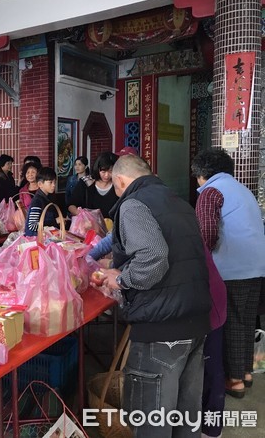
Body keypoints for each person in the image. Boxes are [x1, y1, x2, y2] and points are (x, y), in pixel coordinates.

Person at [100, 154, 211, 438]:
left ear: (120, 181)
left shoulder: (133, 204)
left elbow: (154, 256)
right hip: (195, 322)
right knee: (186, 418)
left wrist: (122, 279)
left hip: (162, 328)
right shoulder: (178, 201)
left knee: (153, 422)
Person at [191, 148, 265, 399]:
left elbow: (206, 235)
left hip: (232, 269)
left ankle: (234, 381)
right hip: (256, 268)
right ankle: (245, 372)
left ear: (202, 174)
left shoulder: (211, 192)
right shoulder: (243, 190)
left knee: (231, 322)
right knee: (245, 320)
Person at [67, 152, 118, 220]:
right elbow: (71, 205)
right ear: (97, 169)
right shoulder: (86, 182)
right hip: (89, 227)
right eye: (103, 171)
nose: (106, 175)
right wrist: (82, 215)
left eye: (110, 171)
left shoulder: (117, 184)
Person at [24, 167, 58, 237]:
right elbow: (32, 225)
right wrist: (55, 221)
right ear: (40, 184)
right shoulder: (37, 201)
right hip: (35, 238)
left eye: (54, 182)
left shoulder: (47, 197)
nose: (54, 185)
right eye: (50, 182)